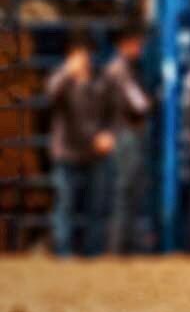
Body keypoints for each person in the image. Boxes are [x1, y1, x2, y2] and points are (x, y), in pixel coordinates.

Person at [45, 31, 115, 256]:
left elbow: (111, 113)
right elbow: (50, 94)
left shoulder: (100, 80)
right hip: (67, 153)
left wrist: (107, 134)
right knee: (65, 206)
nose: (83, 59)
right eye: (78, 54)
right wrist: (67, 73)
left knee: (96, 207)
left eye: (86, 54)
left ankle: (93, 253)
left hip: (94, 153)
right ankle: (63, 253)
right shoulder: (61, 80)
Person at [99, 24, 152, 254]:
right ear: (123, 44)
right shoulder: (119, 70)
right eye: (134, 42)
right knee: (125, 191)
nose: (138, 46)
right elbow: (138, 104)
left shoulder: (124, 69)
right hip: (125, 133)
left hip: (126, 132)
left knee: (129, 190)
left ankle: (122, 245)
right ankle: (118, 246)